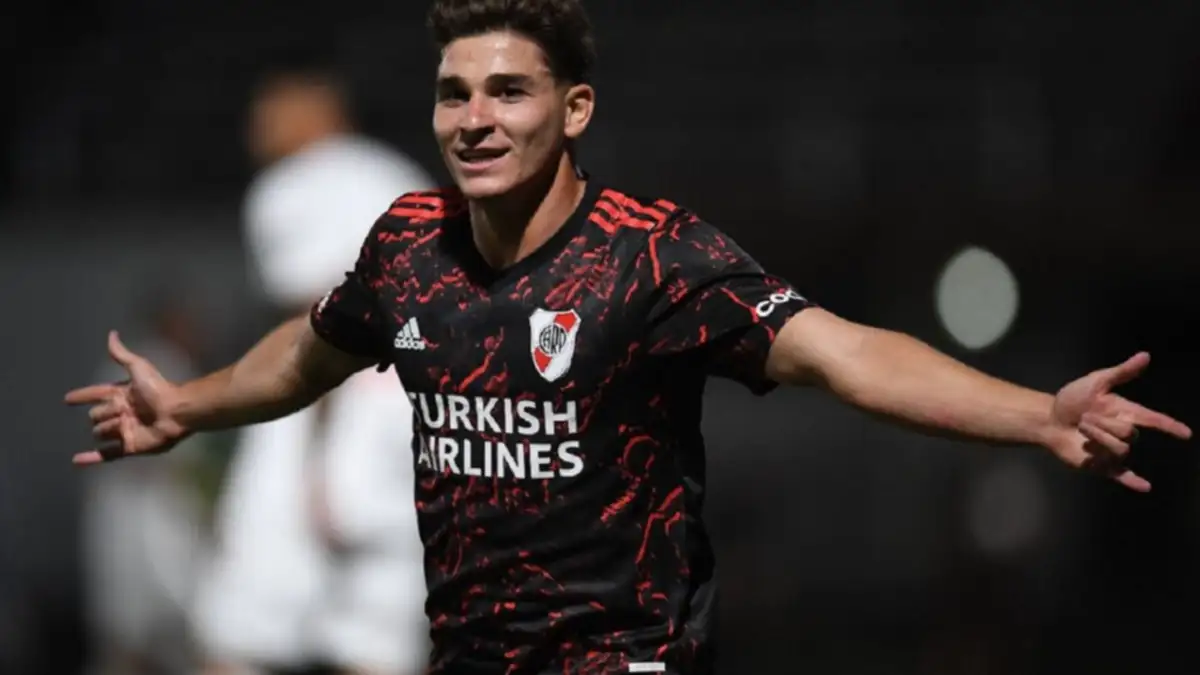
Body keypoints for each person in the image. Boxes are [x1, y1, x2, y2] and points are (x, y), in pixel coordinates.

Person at [65, 1, 1193, 673]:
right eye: (455, 94)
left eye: (509, 91)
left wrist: (1036, 416)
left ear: (576, 109)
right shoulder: (408, 244)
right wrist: (187, 406)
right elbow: (309, 350)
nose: (475, 119)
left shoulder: (655, 257)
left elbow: (845, 354)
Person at [189, 62, 431, 675]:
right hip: (417, 404)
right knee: (376, 638)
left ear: (320, 106)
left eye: (270, 111)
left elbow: (321, 323)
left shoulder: (298, 184)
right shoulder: (395, 173)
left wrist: (321, 465)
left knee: (239, 629)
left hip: (338, 401)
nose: (255, 127)